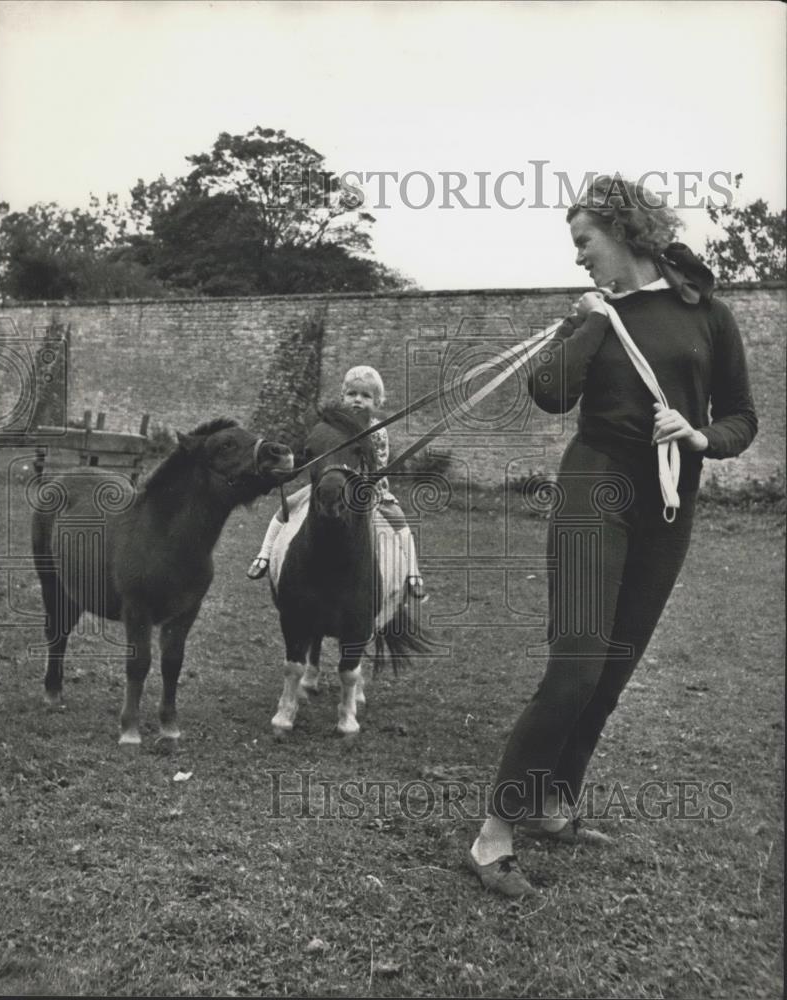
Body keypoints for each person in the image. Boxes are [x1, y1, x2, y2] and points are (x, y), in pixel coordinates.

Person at [466, 175, 758, 898]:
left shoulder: (706, 314)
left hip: (668, 501)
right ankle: (491, 836)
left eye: (583, 242)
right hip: (594, 487)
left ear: (623, 232)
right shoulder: (596, 315)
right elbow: (549, 393)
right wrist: (586, 322)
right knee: (577, 667)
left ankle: (553, 804)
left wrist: (699, 435)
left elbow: (742, 418)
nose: (577, 258)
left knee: (614, 672)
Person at [247, 364, 428, 602]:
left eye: (365, 396)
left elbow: (379, 466)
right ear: (343, 396)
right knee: (287, 506)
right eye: (352, 394)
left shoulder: (377, 432)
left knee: (399, 520)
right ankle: (265, 553)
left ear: (377, 403)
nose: (357, 400)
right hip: (329, 484)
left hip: (366, 488)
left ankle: (413, 573)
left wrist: (365, 485)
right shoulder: (333, 426)